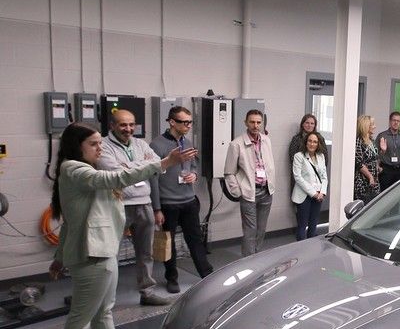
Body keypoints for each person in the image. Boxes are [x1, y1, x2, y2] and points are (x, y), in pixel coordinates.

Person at [48, 122, 196, 329]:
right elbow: (116, 178)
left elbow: (71, 221)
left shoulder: (86, 171)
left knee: (104, 308)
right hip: (91, 253)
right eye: (93, 144)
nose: (99, 148)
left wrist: (58, 257)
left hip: (103, 249)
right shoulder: (74, 169)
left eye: (99, 142)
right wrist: (164, 163)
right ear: (76, 146)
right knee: (81, 316)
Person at [96, 109, 173, 306]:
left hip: (144, 203)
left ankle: (147, 293)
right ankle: (104, 297)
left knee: (146, 252)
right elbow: (115, 174)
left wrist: (130, 166)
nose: (128, 129)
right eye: (123, 125)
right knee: (110, 254)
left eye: (131, 124)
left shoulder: (141, 143)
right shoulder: (103, 145)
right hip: (117, 205)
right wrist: (144, 165)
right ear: (112, 125)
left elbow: (158, 165)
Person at [150, 106, 213, 292]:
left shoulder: (188, 142)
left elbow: (193, 165)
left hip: (188, 200)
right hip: (168, 203)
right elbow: (152, 177)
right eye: (184, 122)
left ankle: (207, 274)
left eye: (190, 122)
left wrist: (194, 174)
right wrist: (157, 208)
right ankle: (172, 278)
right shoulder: (157, 145)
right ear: (172, 122)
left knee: (195, 239)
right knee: (168, 243)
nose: (188, 126)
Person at [224, 109, 276, 257]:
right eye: (252, 122)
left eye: (258, 122)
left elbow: (269, 164)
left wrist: (271, 184)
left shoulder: (266, 140)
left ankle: (256, 257)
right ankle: (247, 261)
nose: (255, 125)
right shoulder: (236, 144)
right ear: (246, 123)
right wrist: (238, 191)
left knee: (261, 229)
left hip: (266, 191)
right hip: (249, 193)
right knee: (250, 231)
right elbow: (229, 172)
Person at [292, 133, 328, 240]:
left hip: (318, 195)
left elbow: (324, 177)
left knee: (313, 225)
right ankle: (301, 248)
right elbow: (298, 177)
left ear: (318, 144)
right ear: (306, 142)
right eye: (310, 141)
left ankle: (311, 248)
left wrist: (322, 192)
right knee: (302, 226)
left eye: (315, 142)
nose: (312, 144)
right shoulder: (299, 156)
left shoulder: (321, 156)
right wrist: (313, 193)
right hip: (304, 196)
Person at [376, 111, 400, 190]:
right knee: (385, 193)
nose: (396, 122)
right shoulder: (382, 136)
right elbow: (376, 154)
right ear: (390, 121)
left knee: (398, 193)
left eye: (398, 121)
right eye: (394, 120)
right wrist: (378, 167)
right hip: (386, 170)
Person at [355, 114, 380, 202]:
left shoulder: (371, 141)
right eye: (372, 125)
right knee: (365, 205)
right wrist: (370, 176)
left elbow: (374, 157)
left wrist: (383, 152)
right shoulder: (359, 141)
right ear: (366, 126)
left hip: (374, 180)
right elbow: (359, 163)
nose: (375, 126)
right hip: (363, 181)